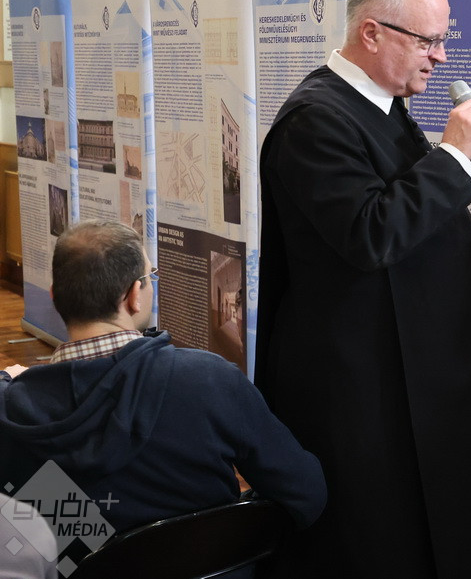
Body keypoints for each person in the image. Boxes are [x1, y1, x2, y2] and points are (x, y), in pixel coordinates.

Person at [256, 0, 471, 578]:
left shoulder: (378, 105)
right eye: (427, 41)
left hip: (420, 369)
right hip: (363, 387)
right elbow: (371, 232)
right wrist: (454, 154)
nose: (440, 57)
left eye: (443, 40)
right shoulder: (315, 120)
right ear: (372, 32)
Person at [0, 221, 325, 578]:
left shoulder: (11, 415)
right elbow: (306, 494)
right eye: (149, 276)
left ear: (54, 296)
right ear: (133, 295)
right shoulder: (209, 379)